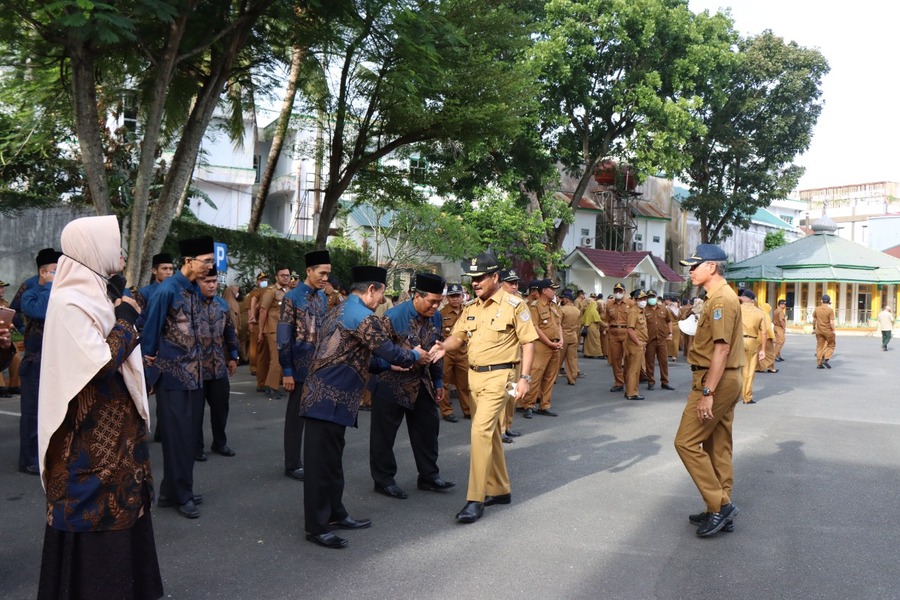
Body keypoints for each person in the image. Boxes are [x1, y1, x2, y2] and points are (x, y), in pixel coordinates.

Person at [36, 215, 163, 600]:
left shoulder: (99, 295)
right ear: (93, 248)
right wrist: (126, 319)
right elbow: (101, 363)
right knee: (94, 532)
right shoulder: (69, 301)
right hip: (89, 452)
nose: (122, 252)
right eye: (115, 244)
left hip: (118, 448)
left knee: (124, 525)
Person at [300, 266, 429, 549]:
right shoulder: (364, 317)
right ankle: (317, 526)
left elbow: (350, 353)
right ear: (371, 289)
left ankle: (335, 513)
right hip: (327, 398)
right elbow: (392, 350)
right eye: (382, 293)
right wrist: (413, 355)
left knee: (331, 463)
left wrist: (387, 364)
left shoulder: (340, 309)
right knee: (321, 466)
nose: (383, 300)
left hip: (328, 397)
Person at [439, 252, 537, 524]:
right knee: (491, 432)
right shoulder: (471, 308)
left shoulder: (515, 305)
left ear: (495, 277)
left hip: (500, 377)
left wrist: (524, 379)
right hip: (475, 378)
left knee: (480, 431)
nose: (475, 283)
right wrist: (439, 348)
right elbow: (457, 337)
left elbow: (528, 342)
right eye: (472, 279)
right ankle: (500, 489)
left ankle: (476, 498)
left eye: (480, 278)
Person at [141, 235, 215, 518]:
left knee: (188, 436)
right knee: (177, 438)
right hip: (172, 377)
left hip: (195, 376)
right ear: (188, 262)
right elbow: (150, 335)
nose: (210, 266)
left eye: (211, 261)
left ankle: (174, 491)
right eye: (206, 261)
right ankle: (180, 494)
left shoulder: (194, 290)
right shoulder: (166, 291)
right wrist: (148, 378)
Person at [674, 244, 744, 537]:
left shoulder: (720, 301)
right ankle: (717, 505)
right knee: (717, 445)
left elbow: (722, 348)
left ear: (711, 267)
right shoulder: (716, 297)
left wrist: (707, 392)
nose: (690, 271)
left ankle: (720, 505)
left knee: (686, 442)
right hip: (724, 378)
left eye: (694, 265)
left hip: (715, 379)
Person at [369, 272, 455, 499]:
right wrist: (391, 364)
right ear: (417, 296)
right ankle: (384, 480)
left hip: (423, 384)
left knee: (428, 431)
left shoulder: (435, 317)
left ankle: (429, 476)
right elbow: (372, 353)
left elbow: (437, 349)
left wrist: (438, 381)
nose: (436, 307)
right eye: (432, 301)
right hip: (391, 384)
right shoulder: (392, 317)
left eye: (439, 302)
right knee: (384, 436)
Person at [277, 250, 332, 482]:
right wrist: (287, 371)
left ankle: (311, 458)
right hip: (298, 367)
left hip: (318, 366)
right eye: (321, 273)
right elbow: (283, 338)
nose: (325, 278)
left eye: (328, 274)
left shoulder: (322, 297)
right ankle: (292, 464)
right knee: (295, 418)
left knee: (316, 415)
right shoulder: (292, 298)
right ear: (309, 271)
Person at [18, 247, 62, 475]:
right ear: (43, 272)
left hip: (55, 362)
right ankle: (28, 459)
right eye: (55, 270)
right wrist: (48, 286)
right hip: (35, 363)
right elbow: (38, 311)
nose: (60, 274)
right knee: (32, 413)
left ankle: (48, 455)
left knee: (53, 413)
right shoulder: (31, 292)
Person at [197, 267, 239, 458]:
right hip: (196, 368)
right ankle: (196, 447)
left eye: (214, 281)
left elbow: (229, 331)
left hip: (219, 367)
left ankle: (219, 443)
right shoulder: (191, 304)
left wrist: (233, 356)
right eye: (207, 281)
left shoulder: (222, 305)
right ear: (198, 282)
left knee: (221, 408)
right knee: (195, 412)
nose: (212, 285)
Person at [521, 279, 561, 418]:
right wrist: (549, 343)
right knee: (536, 375)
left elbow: (559, 324)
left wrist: (560, 340)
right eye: (552, 289)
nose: (555, 292)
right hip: (542, 345)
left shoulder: (554, 306)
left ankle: (545, 405)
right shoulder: (535, 306)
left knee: (550, 377)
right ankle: (529, 405)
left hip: (555, 345)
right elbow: (535, 327)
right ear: (544, 291)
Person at [438, 283, 472, 422]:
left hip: (463, 352)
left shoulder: (469, 312)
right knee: (444, 382)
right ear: (447, 298)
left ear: (462, 296)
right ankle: (447, 411)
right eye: (452, 296)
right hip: (447, 354)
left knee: (465, 384)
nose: (455, 299)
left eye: (457, 296)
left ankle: (468, 410)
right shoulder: (441, 314)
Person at [258, 267, 290, 398]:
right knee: (276, 359)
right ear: (276, 277)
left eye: (287, 275)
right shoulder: (271, 291)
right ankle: (271, 387)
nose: (286, 278)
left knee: (282, 358)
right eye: (282, 275)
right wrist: (260, 331)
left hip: (285, 330)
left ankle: (274, 384)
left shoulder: (288, 291)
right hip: (273, 329)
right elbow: (263, 311)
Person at [738, 289, 767, 404]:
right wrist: (763, 350)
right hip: (751, 341)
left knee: (733, 369)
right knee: (749, 370)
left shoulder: (737, 308)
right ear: (752, 300)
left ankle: (731, 395)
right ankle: (746, 396)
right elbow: (764, 332)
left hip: (737, 341)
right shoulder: (760, 312)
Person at [643, 289, 674, 391]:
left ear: (656, 297)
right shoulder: (644, 310)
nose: (651, 299)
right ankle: (651, 381)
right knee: (649, 362)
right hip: (650, 339)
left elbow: (669, 321)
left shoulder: (664, 309)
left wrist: (670, 333)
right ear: (647, 298)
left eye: (653, 297)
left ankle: (665, 382)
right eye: (650, 297)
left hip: (662, 339)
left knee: (663, 361)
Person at [624, 290, 649, 400]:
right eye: (640, 299)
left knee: (634, 369)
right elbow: (630, 330)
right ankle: (632, 393)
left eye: (644, 299)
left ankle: (630, 390)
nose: (643, 301)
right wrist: (638, 343)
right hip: (636, 344)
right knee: (634, 370)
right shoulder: (633, 312)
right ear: (635, 300)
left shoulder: (640, 311)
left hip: (639, 343)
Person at [604, 283, 629, 392]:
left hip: (627, 332)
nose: (618, 293)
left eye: (620, 291)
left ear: (624, 292)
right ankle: (619, 382)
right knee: (615, 359)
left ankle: (629, 381)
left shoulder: (630, 304)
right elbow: (608, 319)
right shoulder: (609, 305)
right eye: (616, 291)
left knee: (629, 358)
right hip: (614, 332)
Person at [559, 290, 582, 385]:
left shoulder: (562, 309)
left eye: (563, 298)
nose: (562, 299)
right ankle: (572, 378)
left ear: (566, 299)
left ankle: (553, 378)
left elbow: (558, 324)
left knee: (558, 359)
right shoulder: (577, 311)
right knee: (572, 359)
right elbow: (579, 324)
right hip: (573, 336)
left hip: (563, 336)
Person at [813, 294, 836, 369]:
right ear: (829, 302)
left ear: (821, 301)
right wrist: (833, 330)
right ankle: (826, 358)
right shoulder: (830, 310)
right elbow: (831, 322)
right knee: (831, 345)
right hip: (828, 331)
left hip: (819, 331)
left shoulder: (817, 309)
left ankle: (819, 364)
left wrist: (814, 328)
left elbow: (814, 320)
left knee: (819, 346)